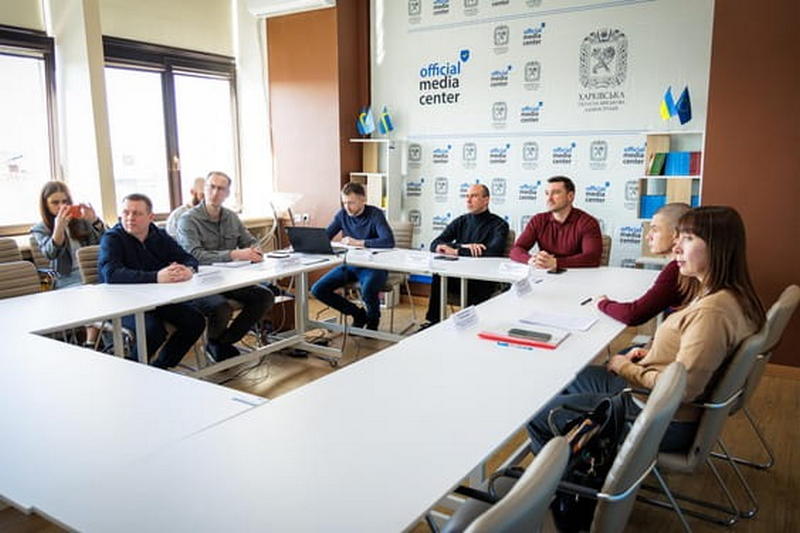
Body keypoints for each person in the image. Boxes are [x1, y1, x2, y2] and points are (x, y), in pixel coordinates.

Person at [526, 206, 765, 454]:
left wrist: (626, 368)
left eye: (688, 239)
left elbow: (682, 390)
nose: (676, 248)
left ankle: (566, 473)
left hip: (658, 419)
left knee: (538, 413)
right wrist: (651, 352)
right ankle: (576, 455)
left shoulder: (712, 313)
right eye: (678, 238)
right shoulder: (728, 296)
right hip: (658, 404)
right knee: (569, 381)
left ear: (717, 247)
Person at [98, 193, 206, 369]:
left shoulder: (158, 235)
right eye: (126, 213)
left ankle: (160, 367)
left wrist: (188, 270)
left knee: (195, 321)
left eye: (137, 213)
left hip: (156, 299)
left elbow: (188, 258)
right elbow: (111, 274)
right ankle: (134, 372)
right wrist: (156, 277)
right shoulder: (112, 238)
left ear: (150, 217)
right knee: (152, 330)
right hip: (122, 303)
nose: (130, 218)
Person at [176, 171, 274, 361]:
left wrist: (255, 249)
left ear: (227, 193)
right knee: (221, 307)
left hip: (229, 279)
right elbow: (194, 255)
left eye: (221, 189)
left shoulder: (231, 217)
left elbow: (249, 241)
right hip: (199, 283)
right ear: (204, 189)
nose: (215, 192)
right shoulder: (188, 219)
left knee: (265, 296)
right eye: (211, 187)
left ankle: (223, 341)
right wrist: (234, 254)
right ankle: (214, 342)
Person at [421, 184, 509, 327]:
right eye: (467, 196)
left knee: (478, 288)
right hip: (458, 276)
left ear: (486, 200)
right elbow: (435, 244)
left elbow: (492, 252)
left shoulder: (499, 224)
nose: (468, 200)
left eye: (474, 196)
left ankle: (473, 327)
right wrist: (462, 246)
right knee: (439, 275)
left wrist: (456, 251)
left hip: (482, 279)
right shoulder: (461, 221)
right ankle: (433, 322)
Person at [310, 182, 395, 330]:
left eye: (351, 203)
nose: (347, 207)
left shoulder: (375, 214)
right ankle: (358, 314)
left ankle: (373, 320)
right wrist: (305, 243)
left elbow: (388, 241)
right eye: (344, 203)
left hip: (374, 266)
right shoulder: (342, 215)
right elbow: (326, 236)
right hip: (350, 264)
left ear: (363, 200)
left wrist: (358, 242)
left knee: (367, 289)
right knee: (318, 289)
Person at [596, 202, 691, 325]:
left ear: (676, 235)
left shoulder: (676, 269)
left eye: (655, 230)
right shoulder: (685, 264)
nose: (648, 236)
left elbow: (633, 314)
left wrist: (602, 303)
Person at [510, 176, 602, 270]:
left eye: (556, 193)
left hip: (578, 275)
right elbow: (516, 249)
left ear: (570, 196)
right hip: (546, 274)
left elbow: (593, 257)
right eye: (547, 193)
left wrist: (556, 262)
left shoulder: (588, 222)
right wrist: (531, 260)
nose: (549, 198)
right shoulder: (538, 220)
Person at [31, 181, 105, 288]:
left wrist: (95, 221)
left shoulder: (80, 221)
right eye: (55, 203)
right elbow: (50, 253)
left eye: (65, 201)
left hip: (92, 272)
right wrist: (59, 228)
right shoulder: (40, 228)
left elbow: (106, 243)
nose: (61, 206)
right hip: (66, 278)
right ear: (46, 205)